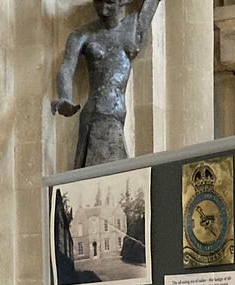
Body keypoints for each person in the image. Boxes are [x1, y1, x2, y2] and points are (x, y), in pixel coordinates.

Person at [51, 0, 163, 169]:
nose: (103, 10)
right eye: (98, 3)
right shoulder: (82, 35)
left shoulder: (134, 27)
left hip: (117, 114)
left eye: (109, 3)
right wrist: (64, 96)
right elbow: (67, 68)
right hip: (96, 113)